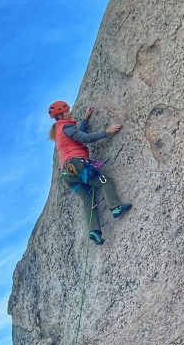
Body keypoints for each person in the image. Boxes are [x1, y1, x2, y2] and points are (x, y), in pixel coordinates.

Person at [48, 100, 131, 245]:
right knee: (104, 180)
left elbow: (78, 136)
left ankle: (94, 231)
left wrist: (85, 120)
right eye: (67, 111)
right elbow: (85, 138)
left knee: (88, 199)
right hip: (77, 164)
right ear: (60, 116)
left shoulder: (59, 131)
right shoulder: (66, 126)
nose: (70, 112)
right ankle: (116, 207)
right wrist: (107, 131)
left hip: (68, 175)